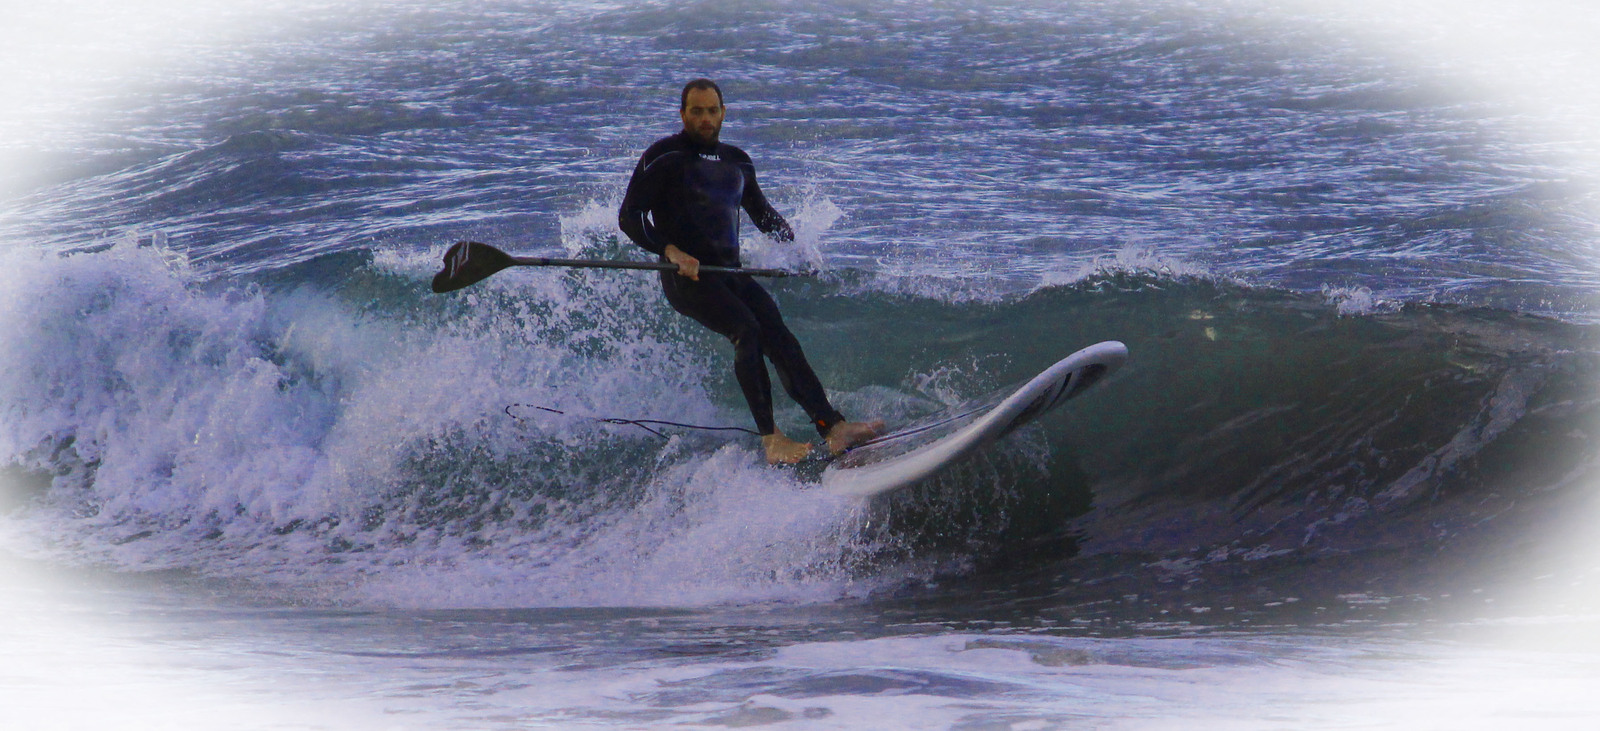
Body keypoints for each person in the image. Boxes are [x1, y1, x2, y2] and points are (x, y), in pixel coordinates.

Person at [618, 78, 881, 465]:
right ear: (682, 114)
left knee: (781, 339)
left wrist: (800, 247)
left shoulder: (737, 162)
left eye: (712, 111)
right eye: (696, 111)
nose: (705, 119)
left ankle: (833, 428)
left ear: (723, 113)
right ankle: (771, 440)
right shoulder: (663, 156)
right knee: (747, 329)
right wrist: (668, 249)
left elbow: (763, 215)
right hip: (687, 278)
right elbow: (629, 217)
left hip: (731, 274)